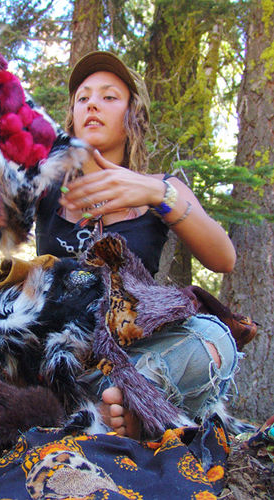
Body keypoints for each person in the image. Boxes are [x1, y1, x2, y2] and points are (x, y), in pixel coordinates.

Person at [35, 51, 239, 438]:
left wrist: (157, 193)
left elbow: (223, 258)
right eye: (83, 98)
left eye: (109, 96)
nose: (92, 103)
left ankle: (125, 402)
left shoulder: (161, 188)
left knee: (214, 340)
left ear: (132, 116)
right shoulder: (46, 184)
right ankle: (108, 409)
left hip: (128, 355)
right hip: (54, 351)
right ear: (73, 117)